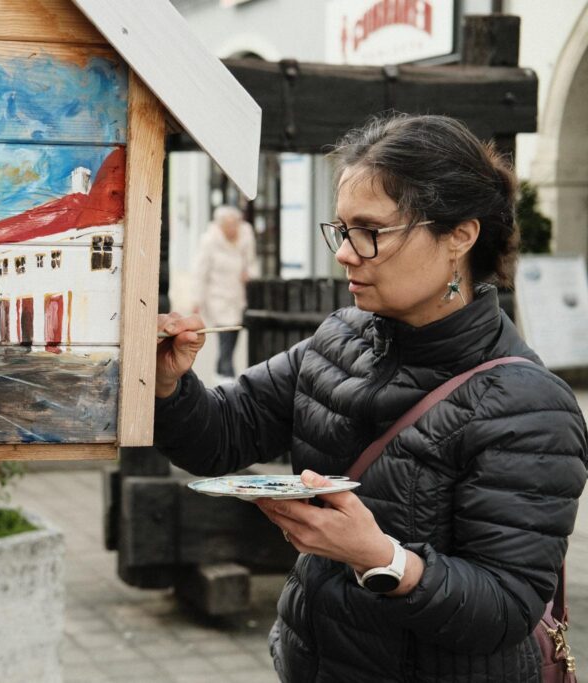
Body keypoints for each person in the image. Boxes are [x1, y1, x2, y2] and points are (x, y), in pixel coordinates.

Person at [154, 114, 588, 682]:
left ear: (460, 234)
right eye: (340, 229)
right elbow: (222, 436)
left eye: (371, 231)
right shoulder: (339, 337)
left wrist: (381, 559)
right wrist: (168, 384)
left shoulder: (527, 404)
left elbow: (505, 608)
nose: (345, 254)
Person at [192, 204, 259, 380]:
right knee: (225, 339)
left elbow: (252, 263)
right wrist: (196, 300)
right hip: (218, 297)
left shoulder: (246, 234)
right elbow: (200, 272)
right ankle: (227, 376)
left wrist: (249, 274)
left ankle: (220, 371)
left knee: (233, 336)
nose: (232, 229)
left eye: (235, 224)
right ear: (220, 225)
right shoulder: (209, 240)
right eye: (228, 225)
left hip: (238, 296)